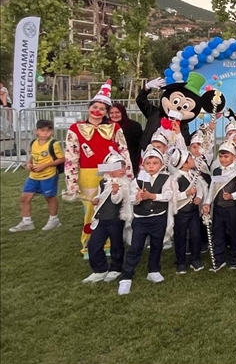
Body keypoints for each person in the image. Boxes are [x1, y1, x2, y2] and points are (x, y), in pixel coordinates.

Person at [63, 80, 133, 258]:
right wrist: (72, 183)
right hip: (88, 174)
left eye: (102, 109)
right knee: (91, 211)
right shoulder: (75, 128)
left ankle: (110, 244)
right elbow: (71, 158)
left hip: (112, 173)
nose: (97, 111)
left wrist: (128, 173)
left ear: (106, 112)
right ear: (88, 108)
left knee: (111, 210)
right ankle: (89, 244)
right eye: (95, 107)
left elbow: (123, 150)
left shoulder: (114, 127)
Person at [118, 146, 175, 295]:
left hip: (158, 217)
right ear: (143, 164)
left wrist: (152, 196)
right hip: (141, 220)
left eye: (155, 163)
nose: (151, 166)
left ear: (161, 164)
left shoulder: (166, 178)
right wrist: (138, 198)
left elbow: (169, 195)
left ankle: (153, 269)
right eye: (148, 163)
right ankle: (126, 276)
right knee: (136, 247)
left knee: (157, 245)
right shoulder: (137, 180)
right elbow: (130, 198)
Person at [82, 151, 130, 283]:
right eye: (117, 167)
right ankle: (100, 269)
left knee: (117, 245)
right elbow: (101, 195)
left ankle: (116, 268)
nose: (121, 169)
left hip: (116, 219)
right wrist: (96, 200)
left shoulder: (125, 183)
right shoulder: (103, 182)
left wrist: (115, 192)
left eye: (123, 166)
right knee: (94, 244)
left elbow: (117, 200)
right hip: (101, 218)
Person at [9, 120, 64, 233]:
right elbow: (33, 155)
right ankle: (27, 222)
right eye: (42, 130)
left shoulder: (54, 144)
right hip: (33, 176)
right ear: (36, 131)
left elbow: (62, 159)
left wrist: (45, 165)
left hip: (49, 175)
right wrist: (29, 163)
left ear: (52, 132)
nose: (45, 133)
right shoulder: (34, 142)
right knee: (25, 198)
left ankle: (54, 220)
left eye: (48, 130)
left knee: (50, 197)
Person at [202, 140, 236, 271]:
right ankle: (219, 258)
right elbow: (212, 188)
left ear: (234, 157)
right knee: (218, 232)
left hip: (232, 207)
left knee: (234, 231)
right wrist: (207, 202)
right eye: (221, 156)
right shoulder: (216, 171)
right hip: (218, 207)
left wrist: (232, 195)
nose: (223, 159)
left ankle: (234, 256)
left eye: (226, 156)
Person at [169, 149, 207, 274]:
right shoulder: (175, 178)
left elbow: (199, 187)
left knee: (196, 235)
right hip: (181, 212)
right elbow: (173, 197)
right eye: (190, 159)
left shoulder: (193, 174)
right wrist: (187, 193)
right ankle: (180, 262)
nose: (192, 160)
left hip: (193, 211)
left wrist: (199, 197)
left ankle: (195, 259)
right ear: (184, 163)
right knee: (180, 236)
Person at [109, 103, 144, 176]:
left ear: (123, 112)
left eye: (117, 112)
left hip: (131, 159)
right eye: (111, 113)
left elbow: (139, 145)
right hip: (111, 160)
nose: (114, 115)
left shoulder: (134, 126)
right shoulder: (106, 127)